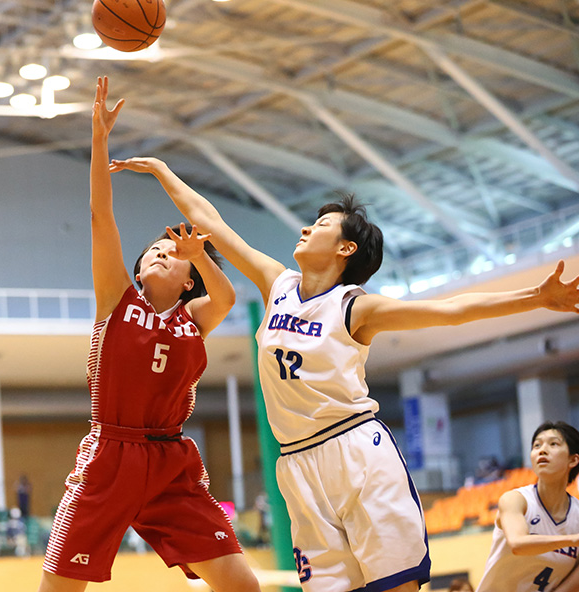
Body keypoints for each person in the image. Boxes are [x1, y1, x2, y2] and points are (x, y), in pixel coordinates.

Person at [109, 154, 579, 592]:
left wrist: (537, 297)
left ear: (345, 248)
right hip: (296, 464)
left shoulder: (355, 306)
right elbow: (212, 224)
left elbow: (451, 310)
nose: (304, 228)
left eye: (320, 225)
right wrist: (162, 171)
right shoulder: (278, 285)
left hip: (355, 452)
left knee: (396, 585)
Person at [36, 77, 260, 592]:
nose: (160, 251)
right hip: (110, 455)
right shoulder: (117, 299)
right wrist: (98, 142)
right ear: (137, 271)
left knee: (242, 585)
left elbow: (226, 299)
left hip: (171, 461)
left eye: (171, 252)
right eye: (152, 251)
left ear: (188, 280)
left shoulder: (193, 317)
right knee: (60, 589)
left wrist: (200, 251)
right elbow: (100, 217)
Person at [476, 421, 579, 592]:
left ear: (573, 459)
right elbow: (518, 544)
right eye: (536, 445)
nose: (542, 450)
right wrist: (574, 540)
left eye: (553, 444)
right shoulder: (515, 500)